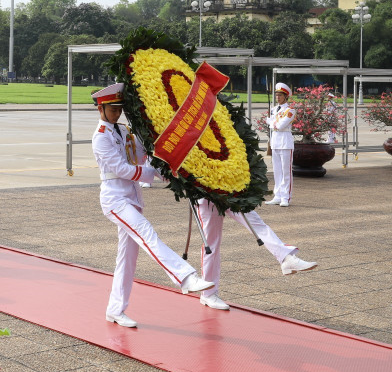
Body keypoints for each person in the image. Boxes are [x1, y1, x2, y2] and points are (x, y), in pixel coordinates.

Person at [91, 82, 213, 328]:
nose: (117, 113)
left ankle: (115, 309)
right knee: (147, 233)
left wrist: (168, 172)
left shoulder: (123, 131)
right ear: (100, 109)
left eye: (119, 109)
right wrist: (150, 173)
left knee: (126, 259)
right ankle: (185, 277)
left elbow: (144, 155)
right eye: (112, 109)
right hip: (115, 199)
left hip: (132, 197)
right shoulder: (100, 138)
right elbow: (121, 169)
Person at [194, 200, 318, 310]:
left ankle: (286, 258)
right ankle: (208, 293)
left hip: (230, 190)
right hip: (206, 196)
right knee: (211, 244)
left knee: (256, 223)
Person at [266, 83, 296, 207]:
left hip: (285, 142)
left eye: (280, 95)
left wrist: (271, 122)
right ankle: (277, 196)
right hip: (275, 142)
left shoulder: (290, 111)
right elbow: (274, 125)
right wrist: (273, 123)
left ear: (285, 96)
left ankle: (285, 197)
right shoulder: (274, 110)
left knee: (286, 172)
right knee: (277, 171)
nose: (277, 97)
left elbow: (280, 125)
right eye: (277, 95)